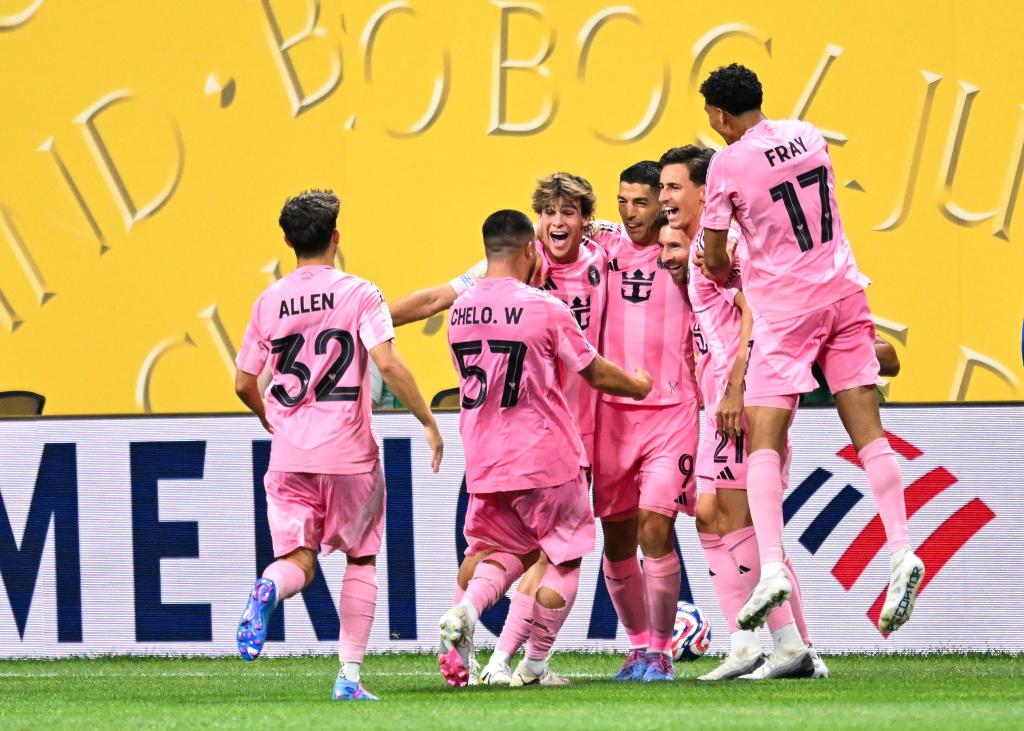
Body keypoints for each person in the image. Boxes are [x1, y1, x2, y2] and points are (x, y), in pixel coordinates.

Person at [698, 64, 924, 636]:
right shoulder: (807, 133)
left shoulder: (728, 162)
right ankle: (901, 547)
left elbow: (717, 257)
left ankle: (772, 566)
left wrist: (726, 271)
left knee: (762, 438)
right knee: (869, 431)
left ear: (719, 115)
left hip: (787, 310)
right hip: (845, 293)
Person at [233, 189, 443, 701]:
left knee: (298, 561)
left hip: (290, 455)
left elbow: (243, 382)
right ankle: (348, 677)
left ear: (288, 241)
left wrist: (268, 416)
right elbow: (387, 362)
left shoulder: (268, 301)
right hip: (349, 454)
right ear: (336, 237)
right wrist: (427, 420)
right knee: (361, 559)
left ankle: (270, 587)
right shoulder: (359, 293)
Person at [438, 209, 651, 688]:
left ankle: (468, 609)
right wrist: (638, 385)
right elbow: (592, 371)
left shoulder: (460, 311)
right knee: (563, 557)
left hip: (485, 458)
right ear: (528, 250)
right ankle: (533, 665)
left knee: (501, 551)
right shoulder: (544, 307)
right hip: (546, 454)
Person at [659, 145, 826, 680]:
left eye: (674, 187)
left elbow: (756, 307)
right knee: (710, 514)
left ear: (705, 191)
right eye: (661, 188)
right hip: (721, 402)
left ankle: (791, 646)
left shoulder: (725, 242)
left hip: (746, 396)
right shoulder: (700, 247)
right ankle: (745, 644)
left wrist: (735, 387)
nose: (665, 198)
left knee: (740, 519)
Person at [590, 161, 700, 682]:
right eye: (623, 202)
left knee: (655, 527)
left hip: (671, 412)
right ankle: (636, 648)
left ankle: (661, 651)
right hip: (611, 416)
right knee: (616, 540)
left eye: (641, 202)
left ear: (662, 201)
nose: (631, 212)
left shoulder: (683, 249)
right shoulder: (603, 247)